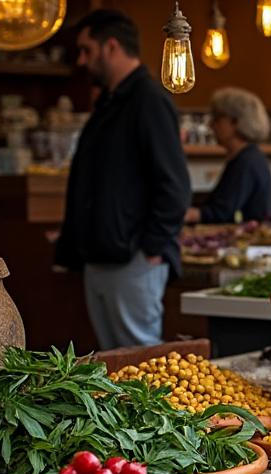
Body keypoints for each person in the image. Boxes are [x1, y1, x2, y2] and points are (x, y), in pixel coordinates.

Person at [55, 10, 189, 349]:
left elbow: (174, 186)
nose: (82, 61)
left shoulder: (149, 100)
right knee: (113, 368)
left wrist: (152, 249)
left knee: (141, 367)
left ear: (111, 46)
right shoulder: (109, 103)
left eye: (87, 50)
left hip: (134, 260)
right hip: (102, 257)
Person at [184, 88, 271, 225]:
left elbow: (222, 212)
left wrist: (186, 215)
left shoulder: (247, 161)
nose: (210, 125)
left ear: (235, 122)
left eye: (216, 118)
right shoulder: (247, 156)